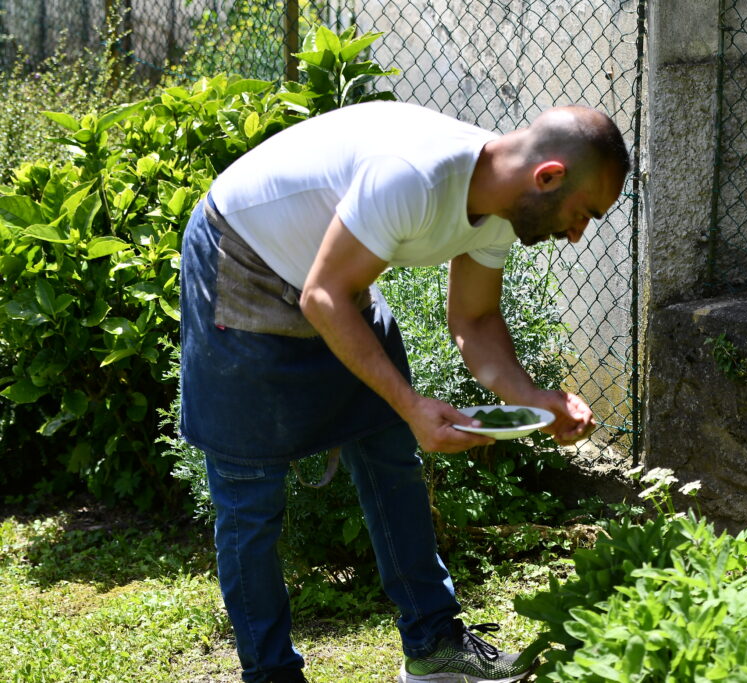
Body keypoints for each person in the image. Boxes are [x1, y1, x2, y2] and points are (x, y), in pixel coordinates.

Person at [178, 100, 630, 683]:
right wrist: (413, 406)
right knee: (250, 497)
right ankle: (270, 674)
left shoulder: (500, 204)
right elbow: (323, 298)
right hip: (242, 257)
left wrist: (533, 397)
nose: (576, 235)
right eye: (583, 213)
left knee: (391, 457)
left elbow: (475, 320)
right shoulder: (413, 174)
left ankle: (434, 646)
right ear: (548, 177)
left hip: (334, 278)